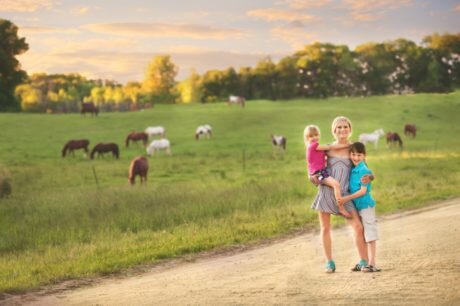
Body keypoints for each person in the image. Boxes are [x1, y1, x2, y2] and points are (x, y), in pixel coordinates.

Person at [310, 116, 370, 273]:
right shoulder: (327, 148)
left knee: (358, 226)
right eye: (339, 127)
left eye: (345, 127)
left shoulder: (355, 147)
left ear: (350, 129)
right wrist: (312, 178)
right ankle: (329, 262)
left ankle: (364, 261)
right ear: (333, 130)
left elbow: (365, 169)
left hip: (345, 195)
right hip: (327, 191)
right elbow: (313, 166)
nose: (342, 130)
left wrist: (369, 178)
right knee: (325, 228)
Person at [338, 142, 381, 272]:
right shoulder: (353, 168)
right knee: (361, 232)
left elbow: (362, 191)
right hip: (357, 206)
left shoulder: (363, 170)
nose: (355, 157)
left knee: (370, 232)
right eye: (353, 154)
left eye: (359, 155)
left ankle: (372, 263)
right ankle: (364, 261)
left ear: (364, 156)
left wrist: (346, 199)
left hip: (365, 205)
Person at [304, 124, 351, 218]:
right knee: (336, 185)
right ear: (307, 138)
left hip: (320, 172)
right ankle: (341, 208)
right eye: (311, 136)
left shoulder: (313, 148)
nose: (314, 138)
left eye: (316, 135)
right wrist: (346, 145)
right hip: (319, 173)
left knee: (333, 185)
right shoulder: (314, 146)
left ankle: (334, 205)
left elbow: (316, 160)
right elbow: (330, 148)